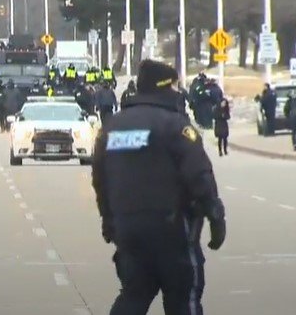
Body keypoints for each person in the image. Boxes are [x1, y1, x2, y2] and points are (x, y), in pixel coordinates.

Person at [91, 60, 226, 315]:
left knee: (134, 294)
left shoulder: (111, 128)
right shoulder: (176, 125)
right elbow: (199, 174)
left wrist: (109, 220)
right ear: (165, 87)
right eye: (174, 86)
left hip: (128, 228)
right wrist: (215, 215)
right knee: (183, 297)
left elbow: (100, 180)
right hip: (173, 228)